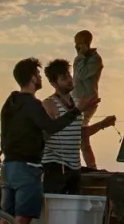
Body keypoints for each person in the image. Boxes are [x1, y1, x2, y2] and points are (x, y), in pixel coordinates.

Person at [0, 58, 80, 224]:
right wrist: (77, 111)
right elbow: (50, 127)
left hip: (9, 165)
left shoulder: (9, 103)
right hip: (27, 167)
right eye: (38, 74)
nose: (40, 78)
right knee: (22, 218)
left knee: (7, 218)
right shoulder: (32, 104)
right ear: (33, 78)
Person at [40, 58, 113, 196]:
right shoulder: (49, 104)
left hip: (74, 166)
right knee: (56, 208)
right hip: (55, 166)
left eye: (69, 75)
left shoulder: (77, 104)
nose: (69, 80)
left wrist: (103, 124)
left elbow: (80, 133)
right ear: (53, 83)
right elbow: (44, 134)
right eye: (63, 78)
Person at [71, 29, 105, 168]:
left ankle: (89, 167)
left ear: (85, 44)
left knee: (79, 135)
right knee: (82, 140)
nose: (76, 47)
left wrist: (80, 57)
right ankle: (92, 167)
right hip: (77, 101)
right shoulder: (81, 58)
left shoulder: (94, 59)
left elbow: (81, 74)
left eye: (78, 44)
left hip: (87, 101)